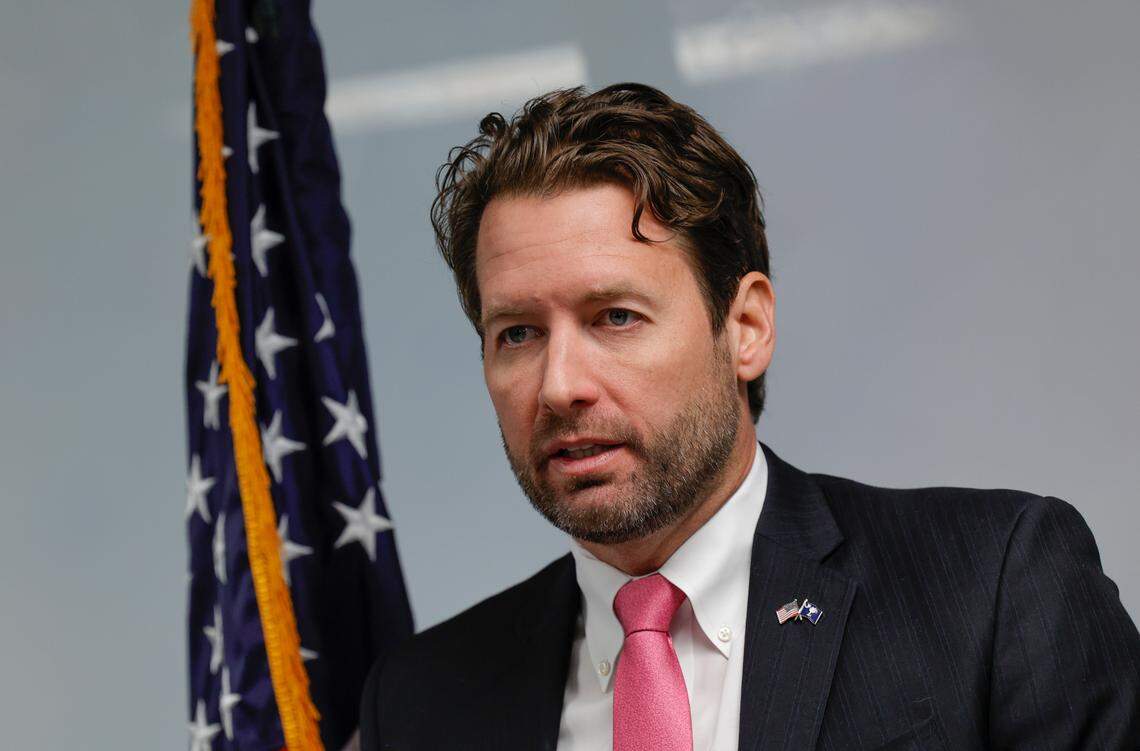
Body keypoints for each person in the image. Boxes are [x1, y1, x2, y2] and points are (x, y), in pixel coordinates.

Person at [359, 83, 1140, 750]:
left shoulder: (993, 589)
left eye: (616, 316)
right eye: (518, 334)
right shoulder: (421, 704)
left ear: (746, 328)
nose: (559, 385)